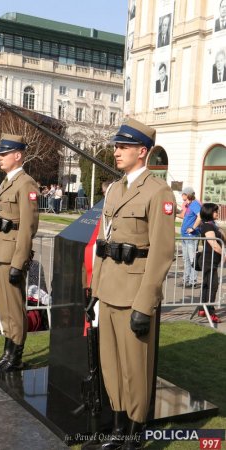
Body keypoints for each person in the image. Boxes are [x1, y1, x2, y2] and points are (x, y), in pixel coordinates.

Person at [89, 118, 175, 450]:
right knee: (111, 365)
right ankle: (118, 427)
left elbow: (162, 253)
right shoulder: (114, 189)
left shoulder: (158, 192)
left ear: (143, 151)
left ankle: (135, 435)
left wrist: (145, 303)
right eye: (116, 146)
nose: (116, 151)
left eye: (123, 147)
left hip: (135, 295)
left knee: (135, 368)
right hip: (109, 290)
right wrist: (94, 291)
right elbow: (103, 243)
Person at [0, 133, 39, 374]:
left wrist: (19, 261)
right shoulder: (7, 182)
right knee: (4, 308)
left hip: (11, 255)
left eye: (4, 154)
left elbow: (27, 226)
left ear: (17, 155)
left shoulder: (26, 183)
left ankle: (14, 356)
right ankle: (8, 352)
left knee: (14, 307)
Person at [198, 203, 225, 323]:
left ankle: (202, 309)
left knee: (207, 285)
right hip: (209, 260)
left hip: (212, 260)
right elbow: (214, 244)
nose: (217, 213)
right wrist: (223, 253)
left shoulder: (212, 225)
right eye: (215, 211)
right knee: (212, 286)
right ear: (209, 212)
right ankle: (210, 311)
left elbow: (222, 238)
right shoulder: (207, 227)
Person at [177, 186, 201, 288]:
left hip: (191, 236)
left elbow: (200, 216)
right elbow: (184, 216)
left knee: (192, 259)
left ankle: (193, 281)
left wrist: (193, 227)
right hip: (184, 236)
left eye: (183, 194)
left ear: (187, 194)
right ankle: (185, 280)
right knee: (186, 259)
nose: (181, 195)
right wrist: (174, 212)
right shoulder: (188, 204)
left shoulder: (195, 204)